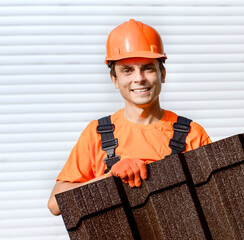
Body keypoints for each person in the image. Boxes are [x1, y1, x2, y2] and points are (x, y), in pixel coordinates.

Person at [47, 19, 212, 216]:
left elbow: (213, 198)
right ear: (114, 79)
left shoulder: (192, 134)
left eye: (148, 68)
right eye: (127, 70)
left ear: (163, 74)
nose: (139, 78)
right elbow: (55, 205)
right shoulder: (97, 134)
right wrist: (110, 178)